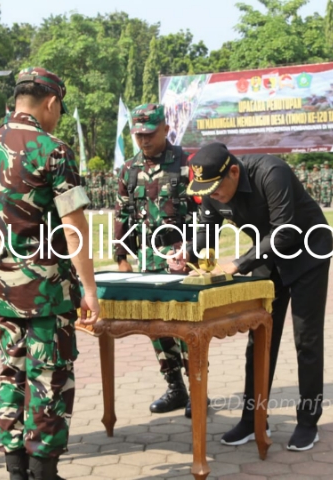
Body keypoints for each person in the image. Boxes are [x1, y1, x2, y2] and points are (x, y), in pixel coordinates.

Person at [0, 67, 100, 480]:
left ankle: (15, 470)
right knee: (49, 378)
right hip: (47, 293)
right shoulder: (53, 150)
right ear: (51, 102)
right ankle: (43, 471)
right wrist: (90, 290)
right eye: (59, 108)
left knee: (13, 373)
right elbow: (74, 226)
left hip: (4, 291)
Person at [182, 142, 332, 451]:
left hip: (309, 255)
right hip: (267, 259)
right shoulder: (214, 190)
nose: (212, 195)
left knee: (307, 339)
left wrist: (237, 264)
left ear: (234, 172)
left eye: (215, 188)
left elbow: (284, 232)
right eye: (205, 190)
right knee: (261, 337)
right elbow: (208, 229)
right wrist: (187, 252)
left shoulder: (271, 172)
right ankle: (252, 419)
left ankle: (308, 422)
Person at [113, 103, 202, 418]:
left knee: (187, 326)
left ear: (165, 128)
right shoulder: (129, 169)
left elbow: (205, 213)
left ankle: (198, 391)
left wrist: (195, 251)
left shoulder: (187, 164)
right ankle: (175, 387)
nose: (144, 141)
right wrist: (121, 257)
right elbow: (123, 214)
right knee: (157, 327)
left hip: (184, 260)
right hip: (148, 262)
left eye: (150, 134)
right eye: (138, 135)